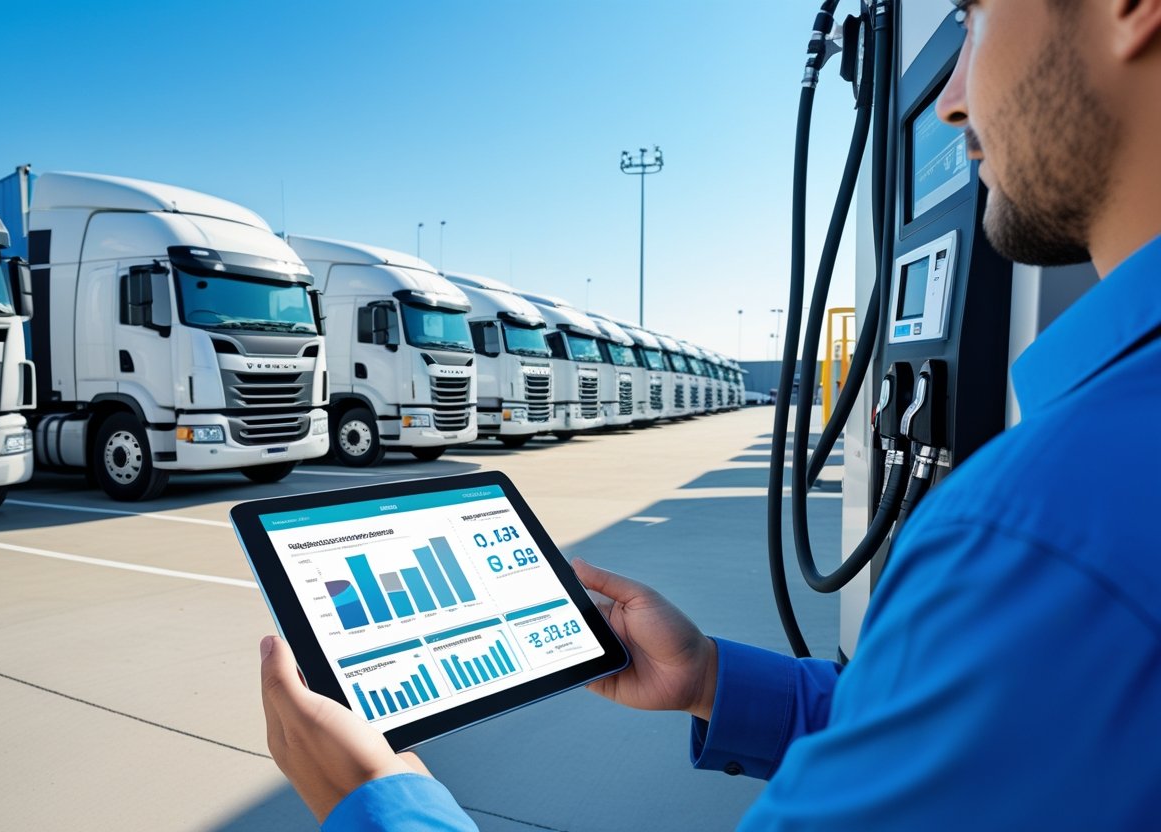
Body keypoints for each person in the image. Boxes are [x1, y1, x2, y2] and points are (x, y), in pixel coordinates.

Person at [259, 0, 1161, 827]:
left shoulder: (1035, 533)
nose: (951, 99)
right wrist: (716, 680)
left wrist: (379, 803)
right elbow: (977, 739)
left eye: (973, 17)